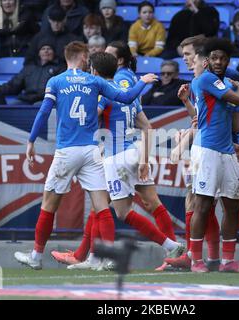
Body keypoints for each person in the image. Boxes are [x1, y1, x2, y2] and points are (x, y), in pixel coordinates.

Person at [13, 41, 158, 270]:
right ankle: (109, 258)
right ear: (81, 57)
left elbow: (43, 112)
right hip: (91, 151)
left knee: (49, 205)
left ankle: (36, 256)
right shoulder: (95, 81)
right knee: (101, 207)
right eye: (87, 56)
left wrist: (31, 140)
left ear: (66, 56)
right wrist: (142, 81)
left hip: (66, 151)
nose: (89, 60)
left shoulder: (56, 81)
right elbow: (127, 97)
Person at [51, 41, 180, 267]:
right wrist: (143, 158)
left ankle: (166, 246)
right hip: (134, 150)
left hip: (115, 156)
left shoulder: (108, 88)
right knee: (124, 204)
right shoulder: (126, 87)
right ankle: (89, 256)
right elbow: (146, 125)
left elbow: (93, 114)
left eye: (108, 53)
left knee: (114, 210)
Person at [187, 39, 239, 273]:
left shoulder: (220, 82)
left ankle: (227, 260)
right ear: (207, 61)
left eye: (223, 58)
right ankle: (196, 260)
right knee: (203, 205)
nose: (219, 62)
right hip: (208, 150)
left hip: (227, 150)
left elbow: (235, 122)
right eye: (214, 58)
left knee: (233, 206)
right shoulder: (206, 79)